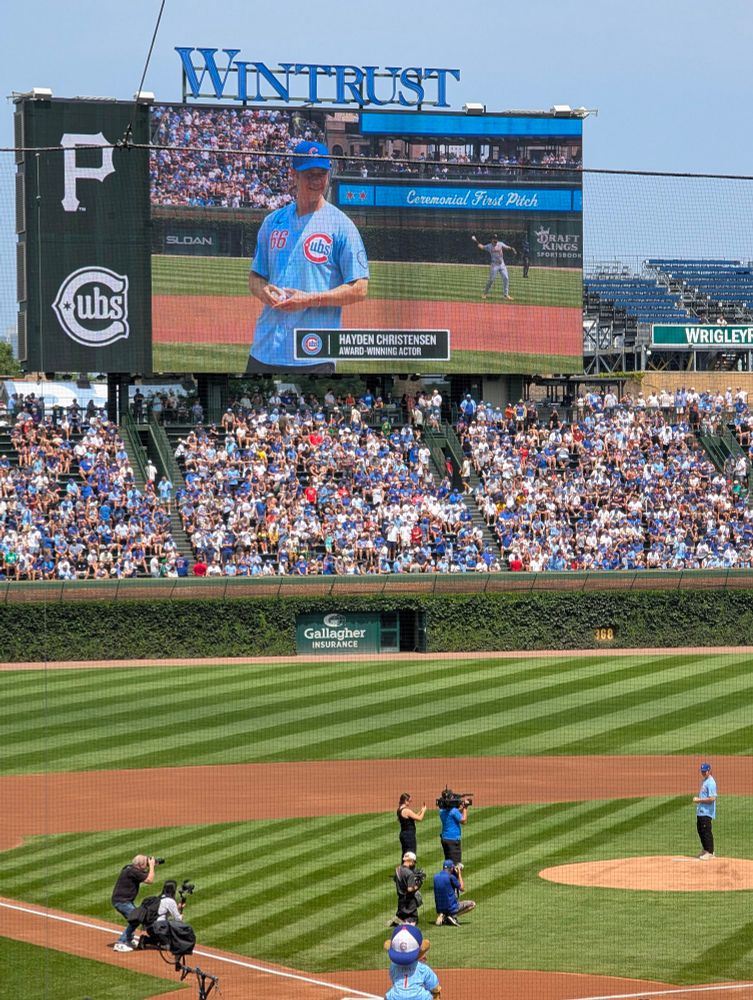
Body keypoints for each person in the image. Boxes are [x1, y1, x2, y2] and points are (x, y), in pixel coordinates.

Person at [247, 140, 369, 373]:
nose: (316, 181)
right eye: (309, 174)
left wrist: (311, 299)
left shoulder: (341, 225)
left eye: (321, 174)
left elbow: (360, 288)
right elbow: (255, 277)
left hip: (313, 354)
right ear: (294, 175)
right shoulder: (273, 222)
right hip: (265, 349)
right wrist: (263, 291)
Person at [111, 854, 156, 952]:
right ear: (140, 865)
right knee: (136, 919)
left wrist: (150, 866)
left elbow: (143, 875)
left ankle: (129, 939)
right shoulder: (133, 872)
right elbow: (150, 880)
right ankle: (120, 943)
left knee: (135, 919)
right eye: (146, 863)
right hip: (121, 902)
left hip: (123, 900)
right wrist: (152, 866)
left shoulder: (130, 869)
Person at [384, 924, 441, 1000]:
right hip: (420, 997)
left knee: (389, 996)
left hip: (396, 997)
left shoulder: (393, 966)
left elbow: (394, 980)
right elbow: (434, 987)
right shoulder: (422, 968)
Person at [471, 232, 516, 300]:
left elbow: (507, 247)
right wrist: (478, 244)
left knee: (506, 278)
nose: (495, 240)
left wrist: (511, 248)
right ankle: (485, 293)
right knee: (491, 280)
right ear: (492, 239)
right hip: (494, 265)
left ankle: (506, 295)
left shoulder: (500, 244)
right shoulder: (489, 246)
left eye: (496, 239)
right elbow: (482, 247)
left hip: (502, 264)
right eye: (494, 239)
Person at [432, 859, 476, 927]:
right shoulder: (451, 877)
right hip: (451, 907)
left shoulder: (435, 877)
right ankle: (451, 916)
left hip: (439, 908)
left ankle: (443, 915)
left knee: (449, 892)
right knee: (472, 904)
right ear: (452, 868)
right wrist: (459, 874)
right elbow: (462, 888)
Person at [693, 762, 717, 859]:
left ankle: (710, 852)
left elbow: (712, 798)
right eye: (702, 771)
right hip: (701, 811)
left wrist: (699, 800)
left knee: (706, 831)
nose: (702, 773)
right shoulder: (705, 781)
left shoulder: (711, 782)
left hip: (706, 812)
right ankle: (705, 849)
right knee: (700, 830)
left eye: (704, 771)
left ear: (709, 771)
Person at [392, 851, 422, 926]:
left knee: (402, 914)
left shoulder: (397, 869)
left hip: (400, 898)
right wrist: (417, 885)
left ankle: (399, 919)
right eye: (414, 862)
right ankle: (406, 925)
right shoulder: (410, 873)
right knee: (413, 919)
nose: (414, 864)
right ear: (411, 861)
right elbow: (410, 889)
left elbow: (395, 880)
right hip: (409, 900)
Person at [438, 792, 468, 865]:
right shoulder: (453, 811)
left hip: (445, 838)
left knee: (448, 863)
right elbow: (463, 821)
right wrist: (465, 808)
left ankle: (446, 875)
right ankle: (455, 876)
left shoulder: (441, 811)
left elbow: (454, 813)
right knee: (456, 864)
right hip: (453, 840)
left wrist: (461, 808)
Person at [397, 793, 427, 859]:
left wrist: (421, 810)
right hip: (409, 835)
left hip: (403, 834)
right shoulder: (406, 810)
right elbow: (419, 818)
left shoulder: (399, 809)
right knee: (411, 854)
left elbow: (413, 817)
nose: (409, 803)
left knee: (405, 854)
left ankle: (403, 868)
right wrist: (424, 811)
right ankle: (409, 868)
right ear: (405, 801)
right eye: (409, 801)